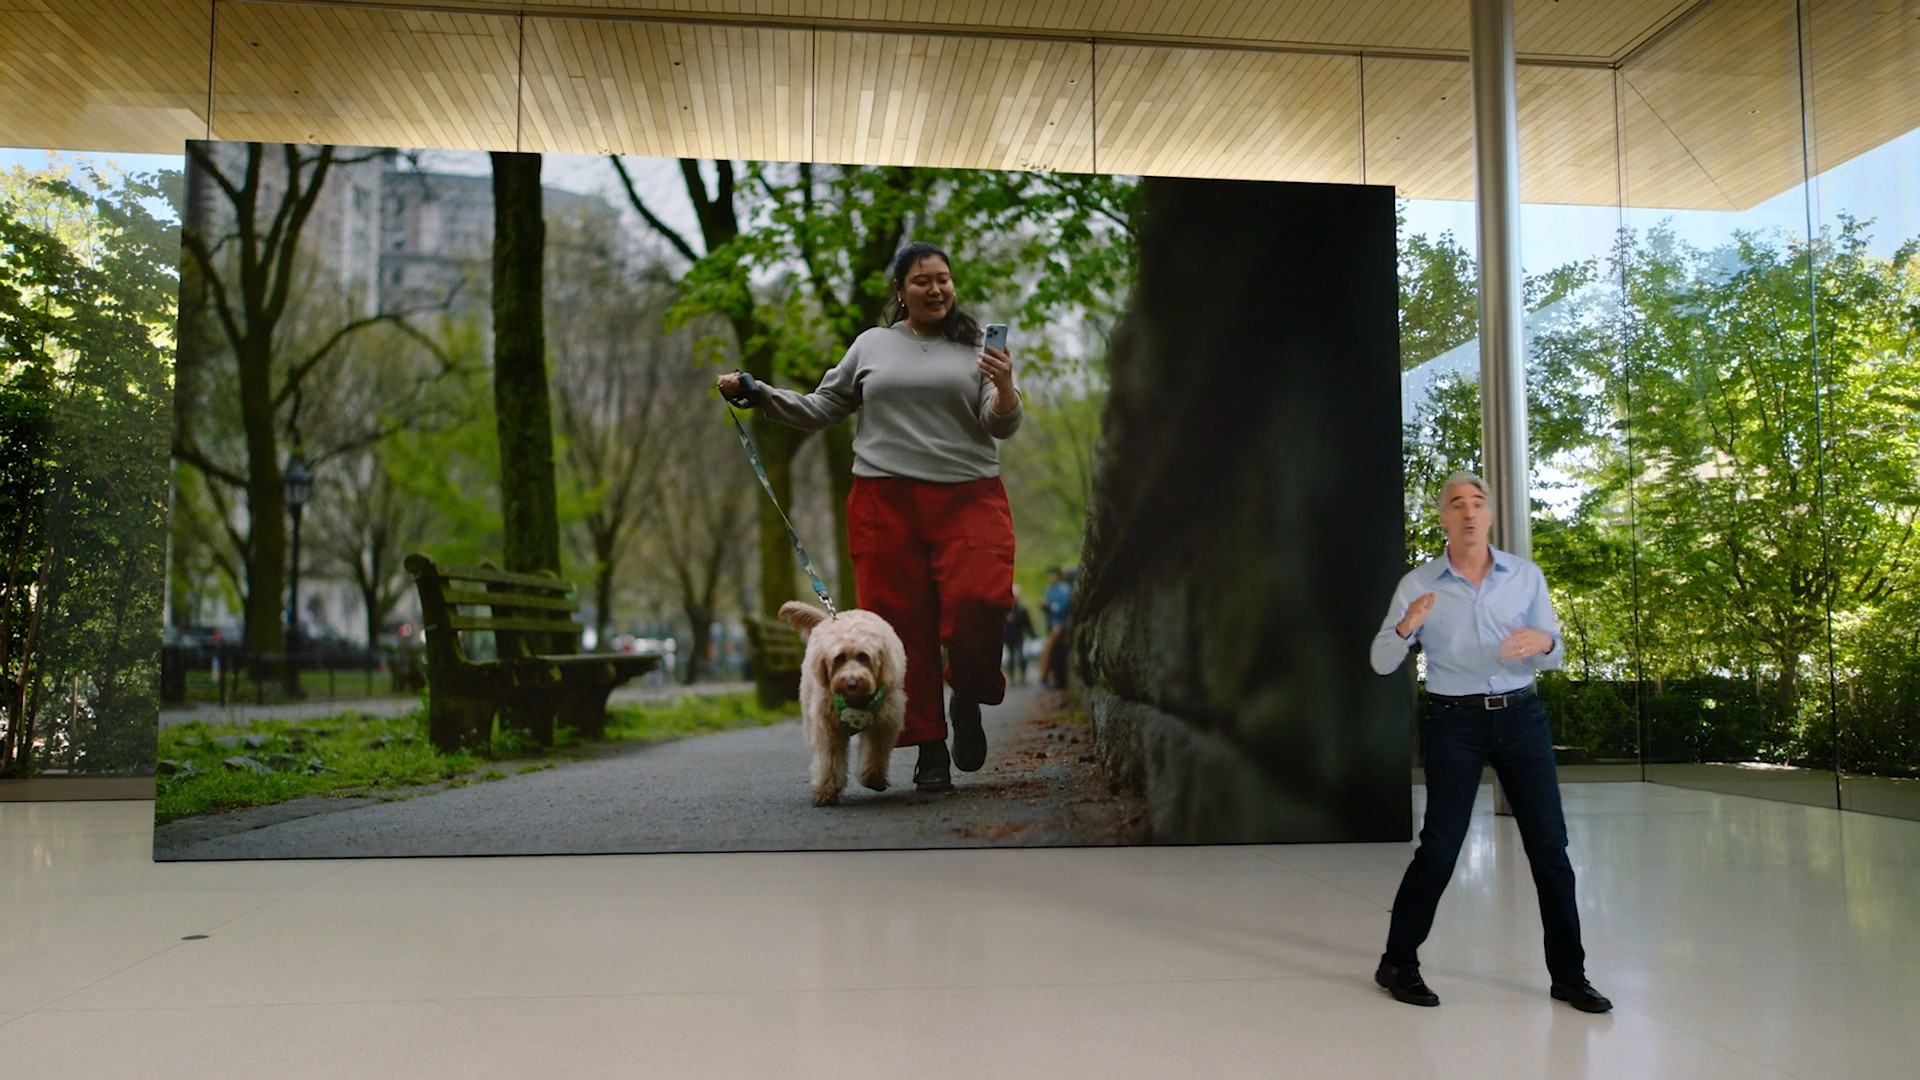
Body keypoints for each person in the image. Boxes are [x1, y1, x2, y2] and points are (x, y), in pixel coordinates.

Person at [717, 241, 1021, 792]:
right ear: (900, 291)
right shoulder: (872, 345)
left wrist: (1003, 386)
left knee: (981, 601)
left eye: (944, 280)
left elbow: (999, 425)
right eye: (923, 281)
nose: (936, 290)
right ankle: (930, 750)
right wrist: (759, 394)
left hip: (969, 496)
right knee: (901, 627)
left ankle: (969, 697)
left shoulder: (977, 347)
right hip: (885, 500)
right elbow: (822, 407)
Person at [1368, 471, 1611, 1013]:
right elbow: (1382, 661)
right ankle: (1397, 963)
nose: (1470, 512)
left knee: (1551, 850)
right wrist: (1407, 626)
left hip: (1522, 718)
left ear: (1491, 515)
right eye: (1457, 503)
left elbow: (1555, 652)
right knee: (1440, 849)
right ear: (1444, 518)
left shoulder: (1524, 577)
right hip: (1453, 721)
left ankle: (1569, 976)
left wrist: (1544, 639)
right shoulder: (1418, 585)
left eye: (1478, 503)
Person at [1038, 567, 1071, 689]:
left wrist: (1049, 605)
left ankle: (1046, 678)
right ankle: (1055, 680)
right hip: (1051, 625)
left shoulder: (1063, 590)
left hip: (1060, 626)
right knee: (1056, 655)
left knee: (1054, 651)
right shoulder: (1048, 590)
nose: (1052, 578)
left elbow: (1063, 607)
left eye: (1054, 575)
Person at [1004, 586, 1035, 685]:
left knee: (1020, 656)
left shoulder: (1022, 610)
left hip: (1018, 636)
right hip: (1008, 637)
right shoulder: (1005, 610)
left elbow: (1027, 623)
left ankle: (1022, 676)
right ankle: (1012, 678)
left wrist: (1032, 635)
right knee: (1011, 658)